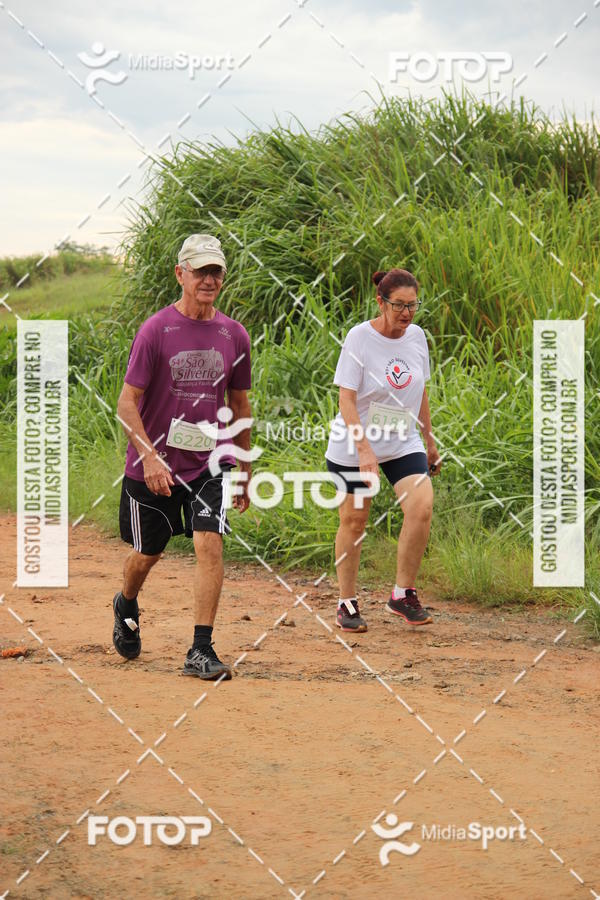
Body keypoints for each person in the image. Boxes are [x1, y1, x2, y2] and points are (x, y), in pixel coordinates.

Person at [112, 234, 252, 679]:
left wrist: (245, 467)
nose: (209, 280)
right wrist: (150, 457)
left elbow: (240, 405)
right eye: (200, 271)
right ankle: (126, 602)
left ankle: (200, 649)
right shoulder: (156, 330)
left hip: (209, 463)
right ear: (180, 274)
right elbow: (126, 403)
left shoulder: (234, 335)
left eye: (216, 272)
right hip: (155, 465)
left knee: (209, 543)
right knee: (147, 553)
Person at [325, 268, 441, 633]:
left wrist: (429, 440)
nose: (407, 313)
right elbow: (346, 399)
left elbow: (420, 391)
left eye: (413, 305)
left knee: (421, 506)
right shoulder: (359, 338)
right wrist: (364, 451)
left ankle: (402, 594)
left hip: (402, 439)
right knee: (355, 520)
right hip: (355, 440)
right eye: (399, 305)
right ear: (381, 302)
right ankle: (347, 601)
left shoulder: (417, 337)